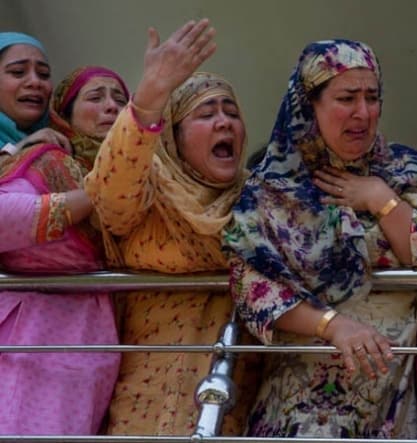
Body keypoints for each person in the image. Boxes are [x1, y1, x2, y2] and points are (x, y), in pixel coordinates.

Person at [223, 39, 417, 438]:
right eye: (347, 98)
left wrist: (379, 198)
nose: (363, 112)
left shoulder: (406, 169)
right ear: (309, 105)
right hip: (300, 397)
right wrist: (333, 325)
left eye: (372, 97)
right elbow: (253, 287)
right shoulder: (274, 186)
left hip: (389, 393)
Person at [84, 20, 260, 436]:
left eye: (231, 112)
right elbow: (109, 196)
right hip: (145, 399)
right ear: (175, 138)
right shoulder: (150, 197)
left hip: (235, 397)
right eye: (206, 113)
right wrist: (148, 100)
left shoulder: (261, 202)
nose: (224, 123)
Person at [0, 34, 127, 434]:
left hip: (95, 342)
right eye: (17, 72)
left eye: (43, 73)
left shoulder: (58, 151)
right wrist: (93, 193)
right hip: (33, 336)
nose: (35, 81)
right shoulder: (43, 159)